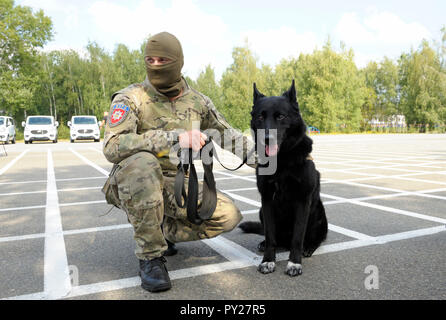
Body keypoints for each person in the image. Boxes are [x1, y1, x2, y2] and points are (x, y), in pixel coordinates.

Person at [102, 32, 255, 293]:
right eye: (150, 59)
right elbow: (112, 146)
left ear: (177, 62)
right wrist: (174, 138)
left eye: (162, 60)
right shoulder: (131, 98)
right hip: (134, 181)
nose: (155, 66)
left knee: (228, 216)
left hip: (176, 182)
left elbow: (228, 135)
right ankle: (150, 257)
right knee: (143, 164)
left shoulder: (197, 101)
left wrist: (272, 160)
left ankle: (161, 230)